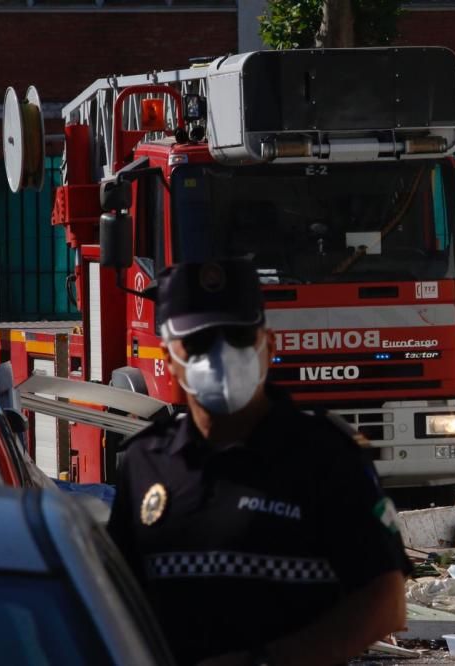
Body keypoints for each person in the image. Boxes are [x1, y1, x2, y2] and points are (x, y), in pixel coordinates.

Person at [107, 258, 411, 666]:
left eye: (237, 336)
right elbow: (114, 602)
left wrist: (265, 662)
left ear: (268, 345)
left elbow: (385, 603)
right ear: (167, 355)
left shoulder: (326, 458)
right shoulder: (145, 463)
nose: (220, 355)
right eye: (199, 342)